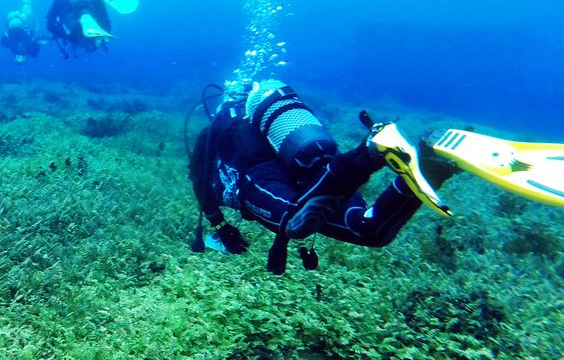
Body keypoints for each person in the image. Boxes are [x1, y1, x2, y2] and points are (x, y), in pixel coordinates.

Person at [188, 80, 459, 274]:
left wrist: (220, 226)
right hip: (311, 167)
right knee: (369, 229)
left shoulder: (214, 133)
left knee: (294, 223)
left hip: (258, 180)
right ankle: (432, 165)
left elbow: (199, 180)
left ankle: (368, 154)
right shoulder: (268, 127)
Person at [45, 0, 112, 57]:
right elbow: (103, 12)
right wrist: (106, 29)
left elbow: (50, 25)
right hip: (90, 11)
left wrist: (66, 35)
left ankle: (82, 21)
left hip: (73, 19)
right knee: (85, 14)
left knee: (75, 29)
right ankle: (85, 17)